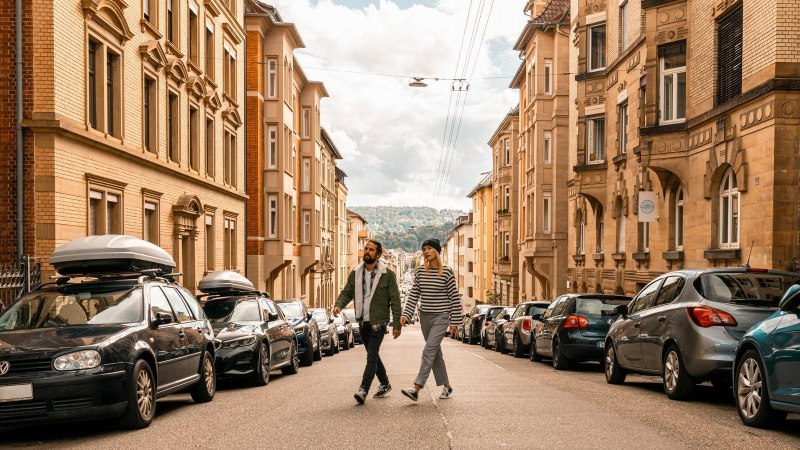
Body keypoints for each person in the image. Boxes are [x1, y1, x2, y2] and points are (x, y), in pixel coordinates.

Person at [333, 239, 402, 404]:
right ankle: (385, 383)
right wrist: (338, 305)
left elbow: (395, 300)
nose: (367, 251)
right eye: (366, 249)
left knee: (371, 355)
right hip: (363, 322)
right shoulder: (356, 273)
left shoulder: (387, 275)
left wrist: (397, 325)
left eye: (371, 250)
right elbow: (347, 292)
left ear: (378, 255)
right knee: (373, 355)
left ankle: (363, 389)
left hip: (379, 322)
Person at [399, 238, 461, 401]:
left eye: (429, 248)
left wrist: (454, 321)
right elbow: (414, 294)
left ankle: (416, 388)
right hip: (425, 317)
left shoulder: (446, 272)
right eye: (424, 249)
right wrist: (406, 314)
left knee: (428, 351)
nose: (426, 251)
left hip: (441, 317)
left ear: (437, 251)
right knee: (434, 352)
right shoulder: (420, 272)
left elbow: (454, 297)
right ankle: (447, 386)